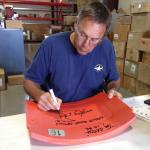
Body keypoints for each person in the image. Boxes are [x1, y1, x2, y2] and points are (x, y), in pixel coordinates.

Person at [24, 1, 122, 112]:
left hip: (93, 112)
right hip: (58, 111)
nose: (85, 45)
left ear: (103, 36)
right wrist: (39, 95)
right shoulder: (51, 45)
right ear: (76, 25)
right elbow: (29, 82)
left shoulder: (106, 48)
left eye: (94, 40)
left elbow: (114, 81)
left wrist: (113, 90)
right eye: (82, 34)